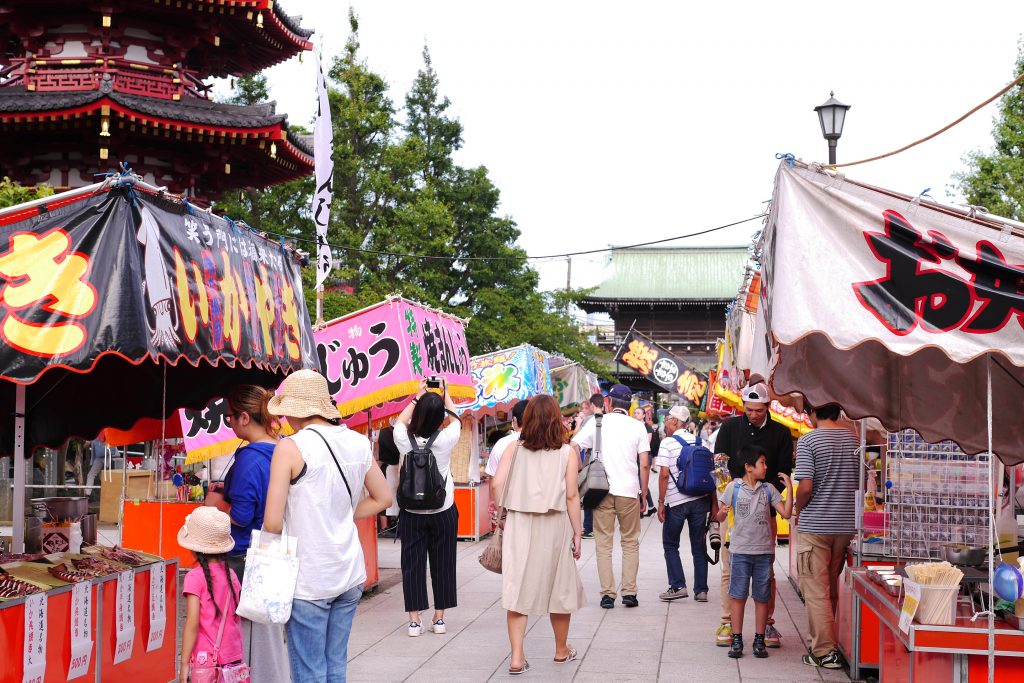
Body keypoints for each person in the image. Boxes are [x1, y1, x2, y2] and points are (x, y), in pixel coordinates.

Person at [262, 369, 392, 683]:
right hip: (348, 572)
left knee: (309, 673)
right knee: (335, 667)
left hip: (309, 578)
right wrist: (343, 512)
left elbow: (272, 522)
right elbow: (384, 497)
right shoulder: (357, 443)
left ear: (294, 409)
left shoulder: (290, 448)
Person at [493, 395, 586, 675]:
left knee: (518, 586)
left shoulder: (515, 447)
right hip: (555, 524)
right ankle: (561, 650)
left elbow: (497, 483)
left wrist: (505, 512)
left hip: (520, 523)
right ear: (557, 418)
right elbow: (571, 495)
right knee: (560, 587)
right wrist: (578, 532)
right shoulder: (567, 452)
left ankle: (517, 658)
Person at [712, 382, 793, 647]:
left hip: (764, 512)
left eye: (758, 410)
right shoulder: (730, 427)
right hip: (734, 509)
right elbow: (720, 464)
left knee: (765, 571)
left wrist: (767, 496)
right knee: (730, 568)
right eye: (749, 410)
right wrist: (730, 496)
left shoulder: (781, 432)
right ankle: (727, 620)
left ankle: (766, 624)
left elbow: (782, 472)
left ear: (768, 407)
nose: (753, 414)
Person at [219, 385, 290, 683]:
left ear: (245, 418)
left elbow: (242, 517)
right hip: (276, 551)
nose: (230, 423)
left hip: (247, 557)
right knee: (271, 634)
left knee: (249, 638)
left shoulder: (250, 459)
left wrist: (218, 505)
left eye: (230, 418)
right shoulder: (283, 447)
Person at [571, 384, 650, 609]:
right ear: (630, 405)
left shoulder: (598, 422)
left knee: (603, 543)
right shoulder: (638, 427)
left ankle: (607, 594)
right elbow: (644, 464)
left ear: (609, 402)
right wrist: (643, 494)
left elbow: (574, 445)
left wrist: (578, 470)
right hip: (629, 491)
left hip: (600, 490)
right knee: (630, 542)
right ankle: (630, 593)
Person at [393, 379, 462, 637]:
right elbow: (457, 420)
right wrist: (446, 396)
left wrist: (416, 397)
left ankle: (414, 621)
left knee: (412, 565)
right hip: (442, 509)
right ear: (439, 416)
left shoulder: (403, 438)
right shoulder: (445, 439)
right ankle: (439, 619)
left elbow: (399, 422)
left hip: (411, 512)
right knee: (443, 563)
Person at [794, 403, 859, 670]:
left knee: (816, 591)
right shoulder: (855, 438)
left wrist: (798, 507)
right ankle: (829, 643)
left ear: (812, 413)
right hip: (845, 527)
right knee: (829, 586)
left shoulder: (808, 440)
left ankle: (823, 652)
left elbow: (806, 486)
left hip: (816, 525)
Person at [716, 445, 793, 659]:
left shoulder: (768, 489)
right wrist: (722, 512)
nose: (766, 467)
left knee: (762, 597)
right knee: (738, 596)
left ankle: (759, 639)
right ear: (749, 467)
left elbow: (786, 514)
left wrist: (790, 489)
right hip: (739, 552)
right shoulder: (733, 488)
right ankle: (737, 638)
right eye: (762, 463)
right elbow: (719, 516)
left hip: (764, 553)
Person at [178, 507, 243, 683]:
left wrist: (184, 664)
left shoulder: (194, 578)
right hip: (234, 660)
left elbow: (192, 623)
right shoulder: (232, 576)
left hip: (206, 661)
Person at [656, 405, 710, 602]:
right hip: (699, 500)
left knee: (670, 544)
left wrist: (661, 503)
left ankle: (678, 586)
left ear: (676, 422)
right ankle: (701, 590)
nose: (666, 422)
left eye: (669, 419)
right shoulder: (701, 442)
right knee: (699, 545)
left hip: (676, 501)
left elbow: (663, 476)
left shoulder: (667, 443)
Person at [485, 398, 530, 497]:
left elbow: (493, 479)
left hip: (508, 503)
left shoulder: (502, 443)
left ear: (514, 420)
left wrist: (493, 502)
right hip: (541, 505)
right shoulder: (546, 442)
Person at [577, 393, 604, 539]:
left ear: (592, 405)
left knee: (587, 493)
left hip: (590, 459)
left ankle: (588, 527)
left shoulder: (589, 420)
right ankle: (595, 527)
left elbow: (576, 442)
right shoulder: (608, 419)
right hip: (604, 462)